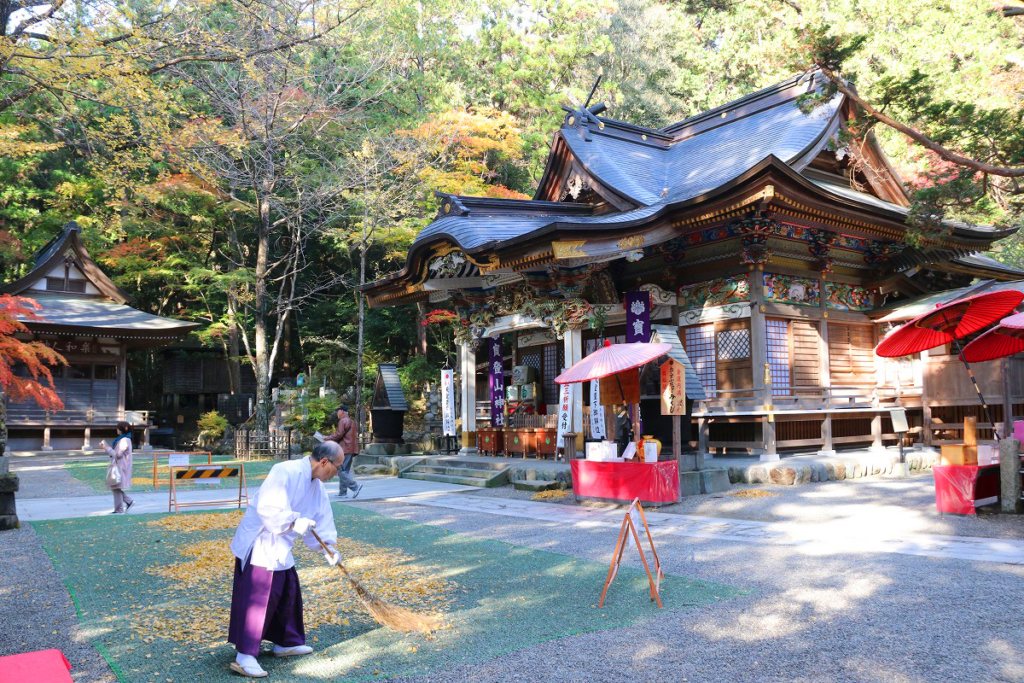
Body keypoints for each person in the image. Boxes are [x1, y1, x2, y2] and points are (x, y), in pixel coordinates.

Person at [227, 441, 344, 678]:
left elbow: (321, 518)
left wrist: (328, 548)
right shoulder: (285, 470)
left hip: (280, 544)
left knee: (288, 589)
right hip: (260, 540)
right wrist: (292, 522)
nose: (338, 472)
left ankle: (285, 642)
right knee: (258, 597)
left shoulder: (317, 486)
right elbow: (268, 507)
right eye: (338, 467)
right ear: (324, 462)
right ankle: (245, 655)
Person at [325, 405, 361, 499]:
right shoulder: (352, 421)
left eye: (338, 411)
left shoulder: (343, 421)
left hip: (345, 449)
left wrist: (326, 438)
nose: (337, 413)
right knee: (345, 471)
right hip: (351, 449)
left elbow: (338, 434)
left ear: (341, 411)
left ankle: (355, 487)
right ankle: (343, 492)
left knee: (340, 470)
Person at [101, 421, 134, 514]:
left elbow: (118, 454)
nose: (117, 430)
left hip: (121, 466)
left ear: (120, 430)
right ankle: (126, 503)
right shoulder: (123, 439)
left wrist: (107, 448)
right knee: (115, 487)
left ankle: (122, 507)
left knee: (116, 486)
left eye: (118, 428)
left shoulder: (124, 440)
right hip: (119, 465)